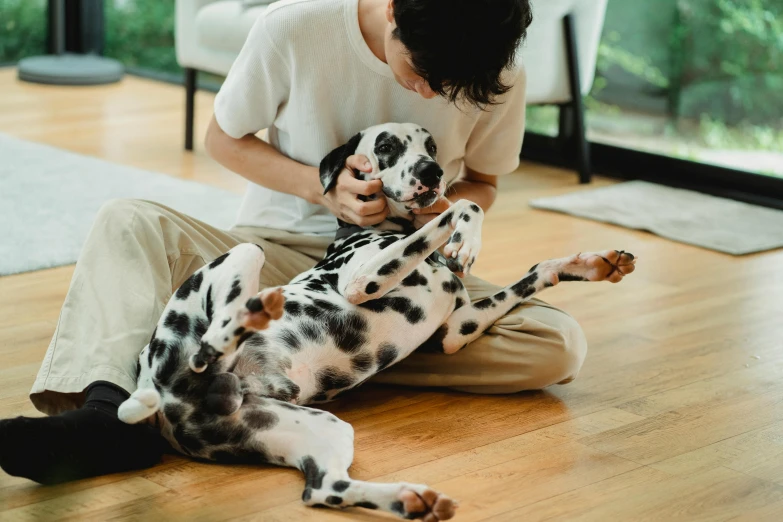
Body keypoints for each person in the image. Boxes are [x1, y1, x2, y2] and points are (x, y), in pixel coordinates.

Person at [0, 0, 586, 485]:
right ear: (392, 11)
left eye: (450, 84)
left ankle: (305, 361)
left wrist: (447, 209)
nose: (433, 93)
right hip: (278, 254)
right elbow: (224, 138)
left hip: (407, 277)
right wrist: (322, 189)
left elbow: (482, 184)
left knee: (557, 343)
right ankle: (107, 417)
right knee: (129, 219)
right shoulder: (294, 27)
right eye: (423, 72)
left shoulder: (494, 70)